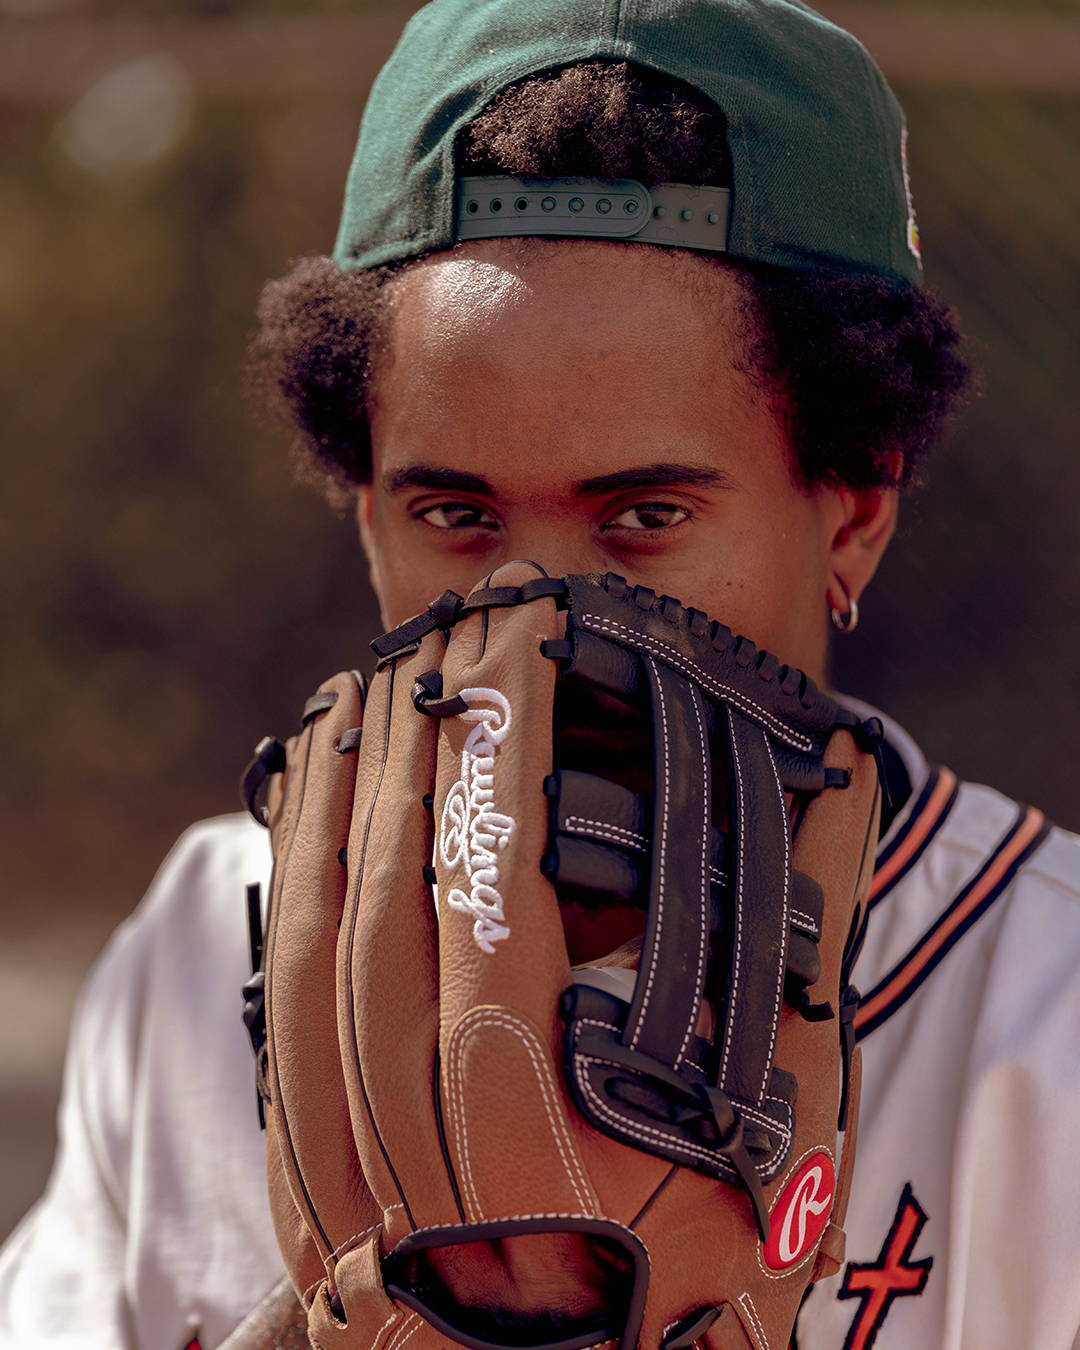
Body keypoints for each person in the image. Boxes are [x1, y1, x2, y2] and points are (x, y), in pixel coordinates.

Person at [3, 0, 1079, 1346]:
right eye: (457, 516)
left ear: (855, 506)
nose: (536, 611)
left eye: (643, 517)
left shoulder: (1046, 1014)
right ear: (364, 510)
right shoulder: (205, 941)